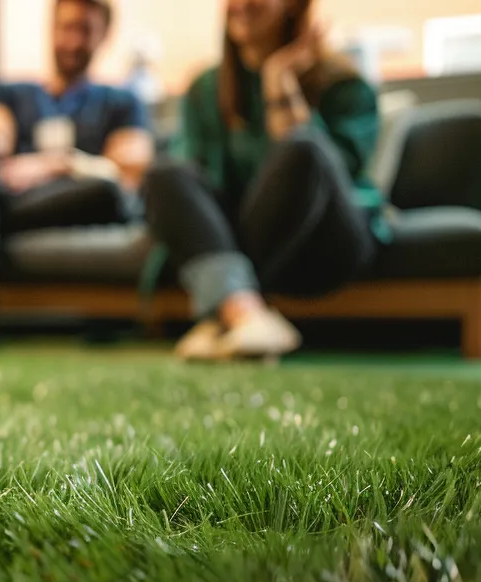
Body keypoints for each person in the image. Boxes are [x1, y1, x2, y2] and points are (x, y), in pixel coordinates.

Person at [145, 0, 385, 360]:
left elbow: (326, 173)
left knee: (302, 146)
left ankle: (224, 311)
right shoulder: (205, 89)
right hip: (236, 236)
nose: (240, 4)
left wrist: (279, 81)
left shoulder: (345, 85)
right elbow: (194, 193)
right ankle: (243, 312)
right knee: (164, 173)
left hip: (321, 239)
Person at [0, 0, 153, 338]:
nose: (73, 41)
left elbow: (127, 170)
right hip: (16, 196)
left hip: (77, 198)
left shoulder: (122, 101)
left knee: (108, 192)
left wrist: (56, 165)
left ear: (104, 35)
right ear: (52, 28)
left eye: (85, 31)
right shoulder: (11, 92)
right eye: (67, 28)